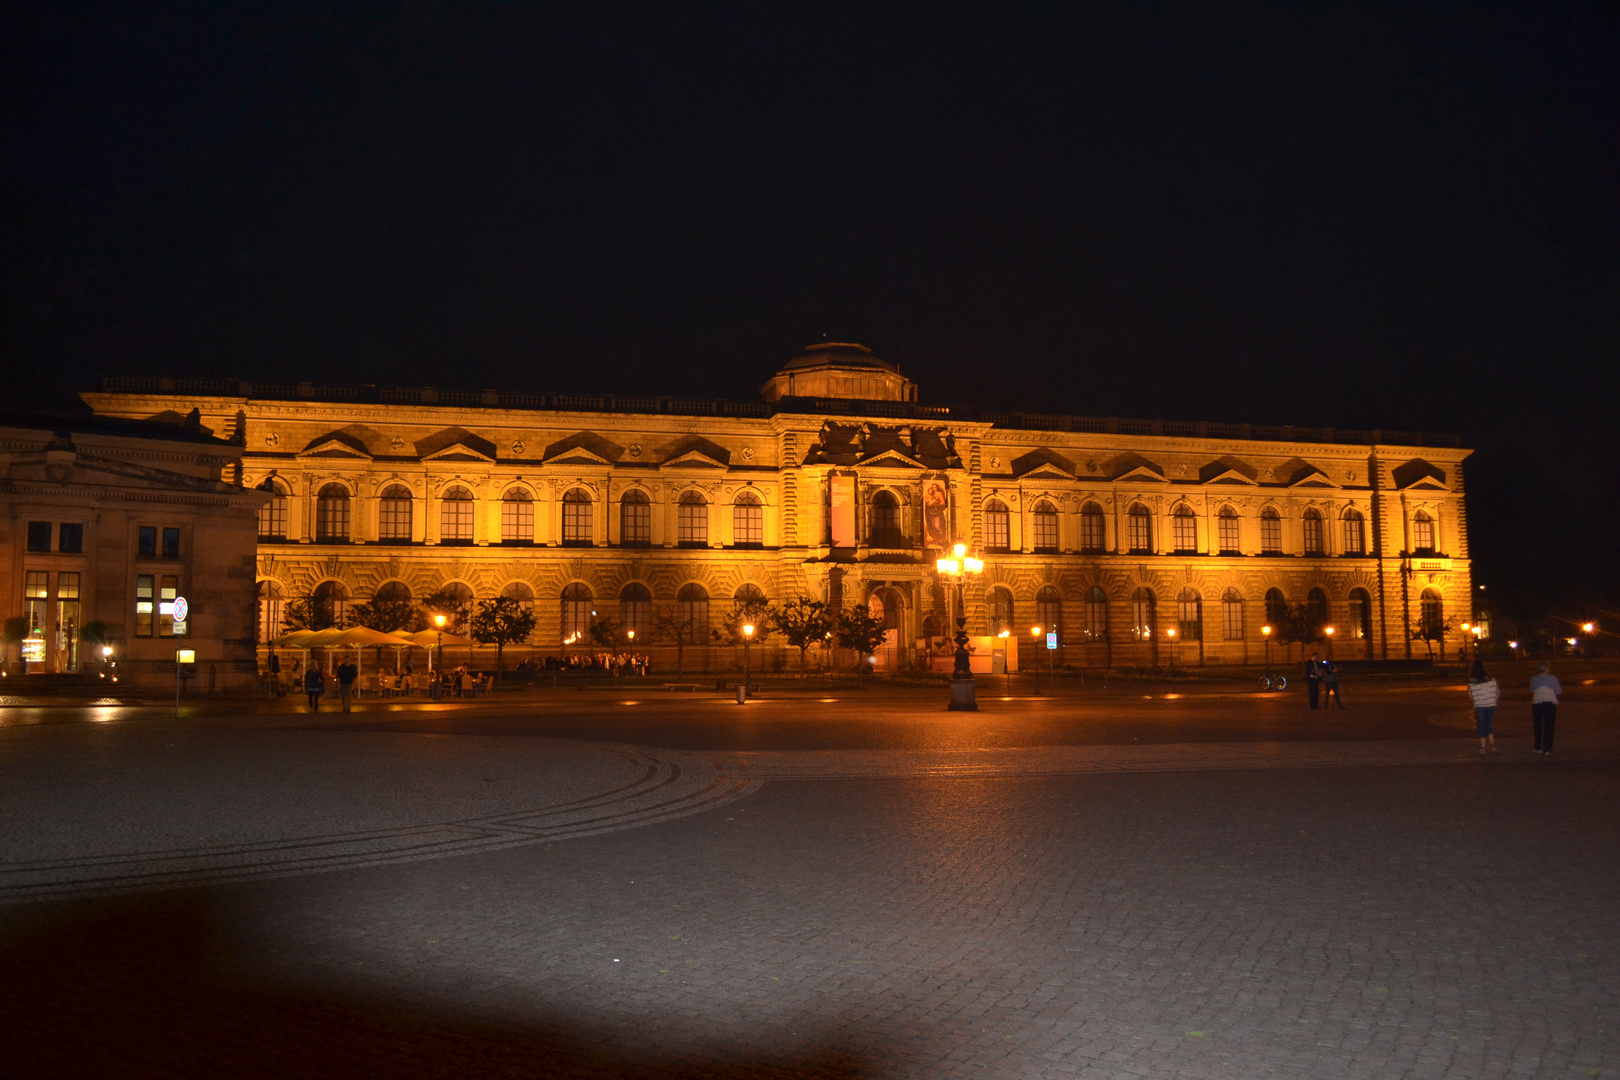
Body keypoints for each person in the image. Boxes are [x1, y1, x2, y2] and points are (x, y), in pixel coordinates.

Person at [1530, 660, 1562, 755]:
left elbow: (1532, 689)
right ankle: (1547, 748)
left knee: (1538, 725)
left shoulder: (1534, 678)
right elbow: (1558, 690)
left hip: (1537, 703)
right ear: (1547, 669)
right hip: (1549, 702)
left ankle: (1538, 747)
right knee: (1549, 726)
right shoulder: (1552, 678)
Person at [1467, 660, 1500, 754]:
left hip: (1479, 705)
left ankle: (1483, 747)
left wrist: (1474, 701)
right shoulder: (1492, 679)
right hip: (1491, 704)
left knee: (1481, 725)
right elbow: (1497, 692)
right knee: (1489, 724)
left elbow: (1469, 693)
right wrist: (1494, 701)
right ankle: (1492, 744)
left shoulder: (1472, 682)